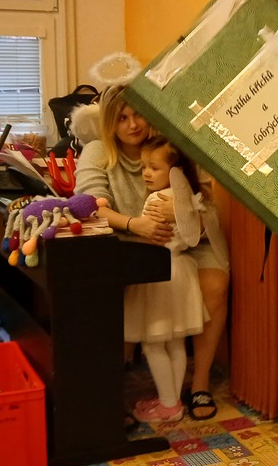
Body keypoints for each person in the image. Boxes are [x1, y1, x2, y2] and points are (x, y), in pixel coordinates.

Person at [74, 76, 230, 416]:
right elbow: (88, 205)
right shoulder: (98, 152)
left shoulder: (173, 146)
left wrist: (183, 213)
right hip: (129, 241)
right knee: (112, 291)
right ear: (109, 122)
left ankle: (200, 382)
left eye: (139, 115)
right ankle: (112, 389)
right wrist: (135, 224)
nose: (132, 125)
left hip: (185, 242)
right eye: (122, 118)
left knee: (216, 283)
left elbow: (208, 206)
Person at [123, 136, 210, 422]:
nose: (146, 173)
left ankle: (169, 404)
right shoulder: (186, 198)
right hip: (182, 271)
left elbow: (149, 237)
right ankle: (173, 401)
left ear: (175, 170)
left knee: (152, 343)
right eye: (143, 166)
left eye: (154, 167)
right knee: (174, 342)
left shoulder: (156, 200)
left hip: (159, 273)